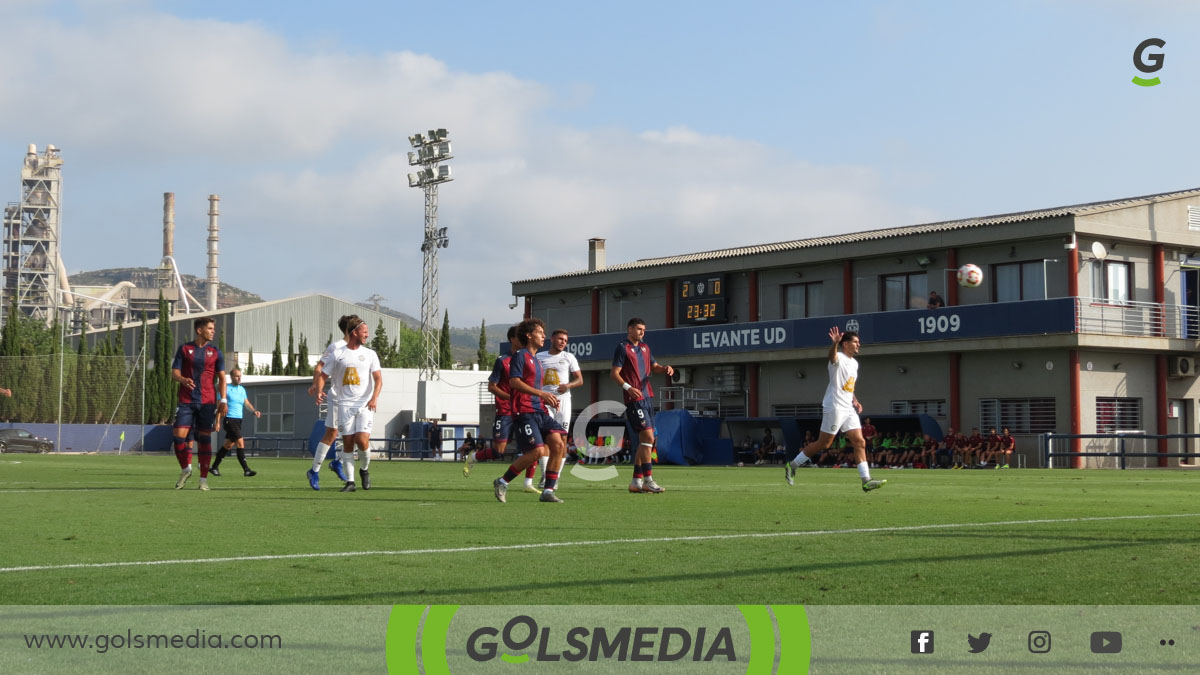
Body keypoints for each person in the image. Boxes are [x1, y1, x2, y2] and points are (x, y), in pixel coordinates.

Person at [784, 327, 886, 492]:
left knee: (860, 442)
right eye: (856, 342)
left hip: (848, 408)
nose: (859, 344)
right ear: (845, 344)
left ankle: (866, 481)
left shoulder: (855, 363)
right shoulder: (838, 357)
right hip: (835, 407)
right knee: (824, 443)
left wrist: (855, 400)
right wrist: (835, 344)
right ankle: (793, 464)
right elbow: (831, 356)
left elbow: (849, 385)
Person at [492, 318, 568, 503]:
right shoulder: (520, 355)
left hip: (539, 410)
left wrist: (549, 400)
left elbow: (535, 389)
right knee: (536, 452)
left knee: (559, 445)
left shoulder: (537, 360)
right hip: (524, 412)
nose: (544, 336)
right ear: (528, 335)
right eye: (540, 332)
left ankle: (548, 491)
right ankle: (502, 481)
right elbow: (514, 382)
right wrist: (542, 394)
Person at [465, 326, 539, 491]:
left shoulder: (529, 358)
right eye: (519, 338)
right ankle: (474, 456)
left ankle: (528, 483)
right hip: (506, 410)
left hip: (524, 410)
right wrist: (509, 397)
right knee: (499, 451)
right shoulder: (503, 360)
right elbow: (492, 386)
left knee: (533, 447)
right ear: (512, 339)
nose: (523, 340)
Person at [314, 316, 382, 492]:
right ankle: (350, 482)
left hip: (364, 404)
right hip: (344, 404)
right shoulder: (338, 353)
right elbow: (322, 374)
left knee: (362, 440)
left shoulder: (370, 354)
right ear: (354, 332)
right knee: (348, 442)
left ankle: (364, 470)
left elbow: (378, 379)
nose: (367, 335)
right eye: (364, 332)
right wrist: (319, 390)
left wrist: (374, 398)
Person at [610, 317, 674, 493]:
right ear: (630, 329)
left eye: (643, 329)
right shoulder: (622, 348)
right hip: (634, 399)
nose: (642, 332)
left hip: (647, 397)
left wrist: (665, 368)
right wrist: (628, 387)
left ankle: (636, 482)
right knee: (647, 438)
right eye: (638, 329)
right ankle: (648, 480)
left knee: (648, 441)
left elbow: (654, 366)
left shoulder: (645, 347)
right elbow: (614, 374)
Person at [170, 317, 227, 491]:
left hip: (207, 402)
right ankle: (186, 468)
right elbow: (174, 373)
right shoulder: (185, 349)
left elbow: (222, 378)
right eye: (210, 328)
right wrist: (182, 379)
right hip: (187, 400)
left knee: (204, 439)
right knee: (178, 437)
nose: (213, 331)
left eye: (213, 329)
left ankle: (203, 480)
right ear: (199, 330)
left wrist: (223, 399)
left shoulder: (216, 352)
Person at [305, 315, 356, 490]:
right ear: (350, 330)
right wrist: (316, 386)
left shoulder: (360, 349)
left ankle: (338, 462)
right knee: (332, 433)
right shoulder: (336, 347)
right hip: (337, 397)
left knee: (357, 434)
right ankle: (314, 470)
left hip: (355, 400)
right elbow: (320, 367)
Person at [535, 328, 583, 487]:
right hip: (545, 402)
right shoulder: (539, 357)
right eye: (560, 339)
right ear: (552, 339)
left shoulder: (569, 357)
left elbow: (579, 380)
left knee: (562, 439)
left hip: (563, 402)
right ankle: (544, 476)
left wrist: (568, 385)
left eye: (565, 340)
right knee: (548, 439)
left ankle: (555, 478)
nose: (563, 342)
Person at [210, 367, 261, 477]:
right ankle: (246, 470)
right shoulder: (225, 388)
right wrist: (217, 422)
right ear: (232, 377)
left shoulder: (242, 389)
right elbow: (219, 406)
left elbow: (246, 403)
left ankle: (214, 467)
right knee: (240, 442)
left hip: (238, 421)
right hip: (229, 420)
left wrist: (254, 410)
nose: (239, 378)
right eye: (237, 376)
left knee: (228, 445)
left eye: (240, 376)